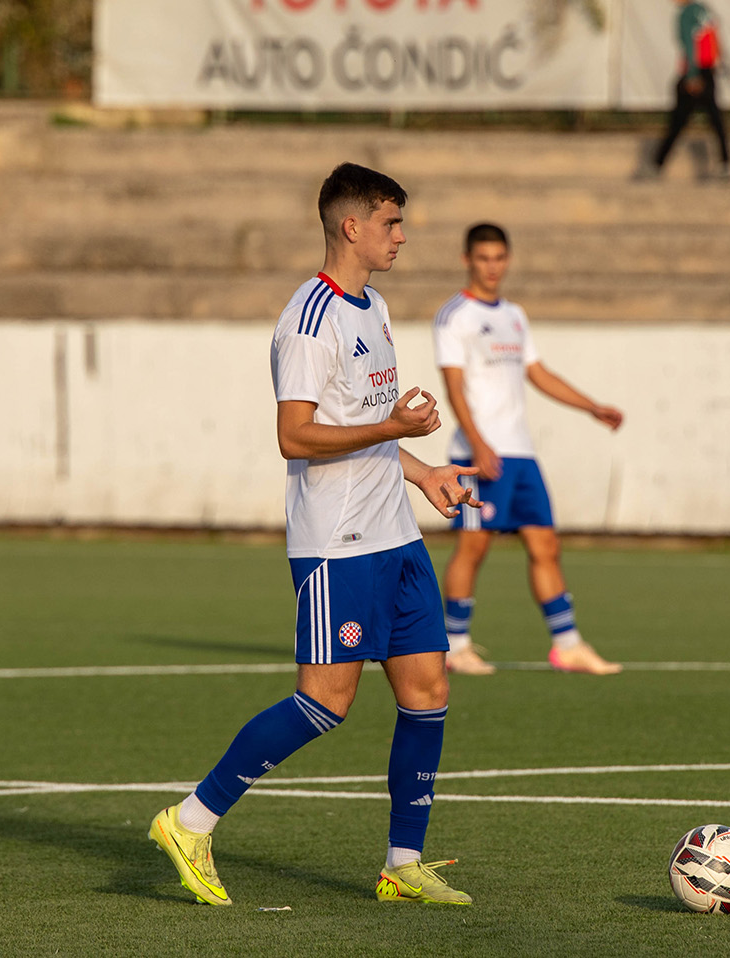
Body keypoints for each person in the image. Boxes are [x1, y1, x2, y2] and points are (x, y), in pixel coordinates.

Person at [149, 162, 481, 908]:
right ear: (351, 226)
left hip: (393, 534)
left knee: (427, 690)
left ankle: (402, 864)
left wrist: (420, 468)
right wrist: (394, 425)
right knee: (325, 702)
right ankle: (190, 820)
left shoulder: (377, 307)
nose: (402, 235)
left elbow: (361, 421)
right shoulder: (309, 319)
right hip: (336, 541)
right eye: (391, 222)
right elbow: (295, 437)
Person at [433, 223, 625, 676]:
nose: (492, 267)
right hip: (478, 454)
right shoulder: (454, 315)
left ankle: (567, 644)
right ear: (467, 260)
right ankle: (453, 645)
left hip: (520, 454)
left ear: (508, 260)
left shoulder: (515, 315)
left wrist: (591, 407)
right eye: (483, 258)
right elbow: (453, 386)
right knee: (473, 548)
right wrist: (478, 444)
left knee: (545, 545)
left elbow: (537, 373)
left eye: (499, 258)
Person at [642, 0, 730, 181]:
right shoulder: (703, 11)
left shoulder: (687, 14)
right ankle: (725, 164)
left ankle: (657, 165)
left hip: (695, 73)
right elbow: (714, 37)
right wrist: (716, 63)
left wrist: (692, 75)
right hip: (706, 70)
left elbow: (692, 47)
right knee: (706, 119)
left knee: (682, 121)